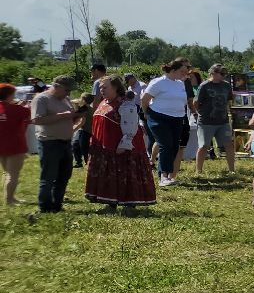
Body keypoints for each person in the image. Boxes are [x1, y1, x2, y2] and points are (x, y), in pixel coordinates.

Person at [84, 76, 156, 212]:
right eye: (100, 87)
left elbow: (131, 126)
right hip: (105, 147)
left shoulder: (125, 104)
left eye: (105, 87)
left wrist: (125, 144)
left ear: (116, 87)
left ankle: (130, 205)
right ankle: (111, 204)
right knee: (110, 175)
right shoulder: (103, 102)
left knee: (126, 174)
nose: (102, 90)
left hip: (122, 148)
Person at [29, 75, 83, 213]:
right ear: (56, 86)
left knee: (64, 175)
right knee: (48, 176)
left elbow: (68, 117)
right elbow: (36, 120)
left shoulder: (65, 99)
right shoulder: (42, 99)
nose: (68, 93)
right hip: (49, 143)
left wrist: (76, 115)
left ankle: (56, 205)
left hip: (66, 142)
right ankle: (45, 207)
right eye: (67, 90)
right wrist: (62, 115)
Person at [140, 57, 192, 187]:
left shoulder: (180, 83)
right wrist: (146, 114)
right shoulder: (158, 82)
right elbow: (145, 99)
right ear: (173, 70)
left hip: (177, 119)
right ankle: (163, 176)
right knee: (165, 144)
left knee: (174, 146)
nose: (184, 74)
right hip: (159, 118)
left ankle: (168, 175)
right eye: (182, 71)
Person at [194, 64, 237, 176]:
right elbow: (196, 102)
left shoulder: (226, 86)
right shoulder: (204, 86)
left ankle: (232, 170)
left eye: (225, 74)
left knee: (229, 144)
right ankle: (198, 171)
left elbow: (229, 101)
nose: (224, 76)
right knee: (204, 146)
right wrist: (200, 113)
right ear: (213, 73)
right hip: (206, 122)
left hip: (223, 121)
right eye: (221, 73)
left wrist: (230, 113)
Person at [0, 84, 27, 205]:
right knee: (13, 174)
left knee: (7, 173)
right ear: (10, 95)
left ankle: (9, 197)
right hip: (15, 145)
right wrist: (23, 105)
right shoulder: (17, 109)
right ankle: (9, 200)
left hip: (2, 145)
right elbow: (30, 113)